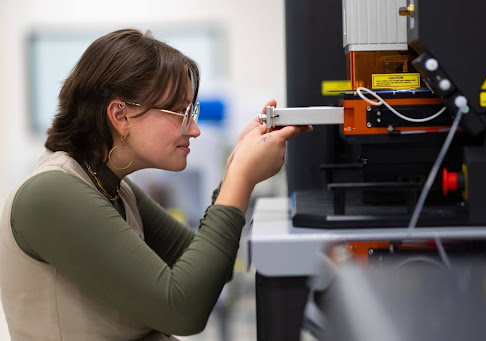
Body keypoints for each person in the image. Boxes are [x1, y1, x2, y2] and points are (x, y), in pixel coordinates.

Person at [0, 29, 310, 340]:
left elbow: (211, 268)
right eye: (181, 113)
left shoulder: (113, 187)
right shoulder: (52, 194)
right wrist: (241, 178)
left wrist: (236, 164)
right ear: (121, 115)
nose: (194, 130)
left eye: (192, 112)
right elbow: (184, 310)